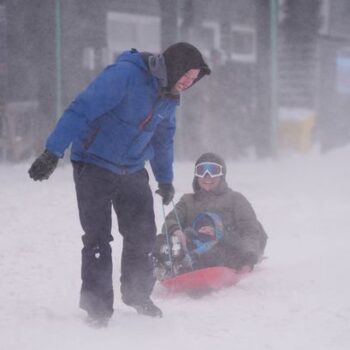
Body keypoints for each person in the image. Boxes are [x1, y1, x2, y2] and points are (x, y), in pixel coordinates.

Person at [28, 42, 210, 326]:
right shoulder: (125, 75)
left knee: (143, 234)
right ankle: (97, 307)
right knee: (98, 237)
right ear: (173, 67)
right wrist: (53, 151)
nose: (187, 84)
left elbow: (163, 139)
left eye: (192, 80)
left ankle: (137, 293)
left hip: (133, 167)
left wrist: (165, 178)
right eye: (185, 76)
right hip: (94, 162)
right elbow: (82, 108)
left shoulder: (170, 97)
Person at [152, 152, 268, 280]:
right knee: (160, 242)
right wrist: (176, 231)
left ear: (222, 174)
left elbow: (250, 230)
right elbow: (171, 219)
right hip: (193, 247)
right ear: (197, 175)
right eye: (202, 170)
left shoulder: (235, 199)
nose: (207, 176)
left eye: (213, 170)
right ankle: (169, 266)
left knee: (214, 252)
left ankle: (187, 266)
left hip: (227, 246)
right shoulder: (188, 201)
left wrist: (248, 259)